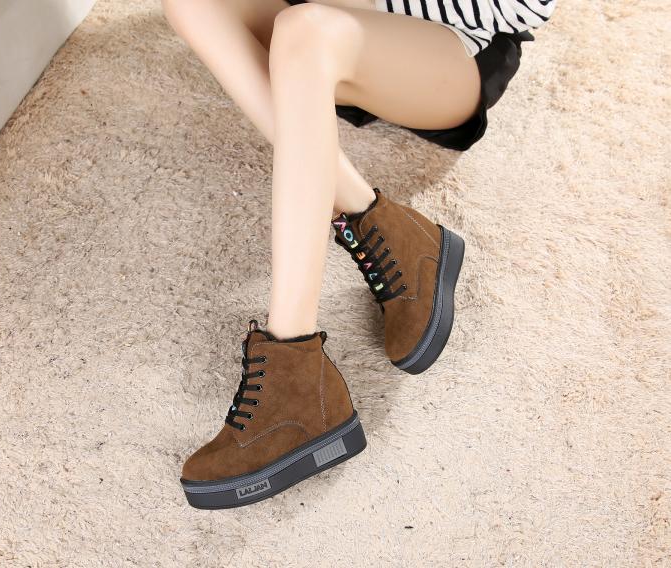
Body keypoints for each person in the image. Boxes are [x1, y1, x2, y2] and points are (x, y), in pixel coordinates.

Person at [163, 0, 557, 509]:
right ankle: (383, 224)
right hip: (319, 22)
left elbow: (522, 7)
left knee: (306, 31)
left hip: (449, 47)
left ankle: (293, 365)